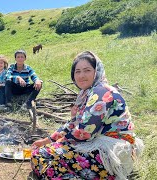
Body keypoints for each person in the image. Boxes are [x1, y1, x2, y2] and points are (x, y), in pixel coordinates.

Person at [31, 51, 144, 179]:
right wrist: (47, 141)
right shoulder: (87, 94)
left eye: (87, 70)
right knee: (43, 154)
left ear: (97, 71)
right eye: (77, 71)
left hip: (110, 152)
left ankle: (104, 175)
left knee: (42, 156)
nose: (81, 75)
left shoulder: (101, 92)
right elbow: (73, 123)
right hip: (101, 145)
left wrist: (59, 141)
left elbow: (85, 133)